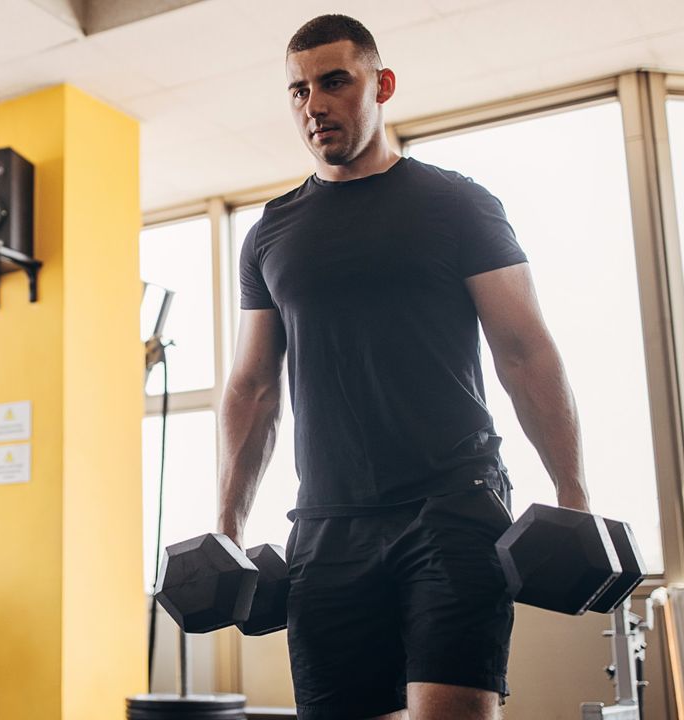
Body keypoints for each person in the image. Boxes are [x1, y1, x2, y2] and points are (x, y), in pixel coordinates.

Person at [217, 13, 591, 720]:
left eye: (334, 82)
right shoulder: (271, 232)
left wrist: (572, 494)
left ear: (381, 84)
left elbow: (526, 351)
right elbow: (253, 387)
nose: (314, 105)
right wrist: (227, 524)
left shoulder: (458, 205)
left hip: (451, 504)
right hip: (326, 523)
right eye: (298, 91)